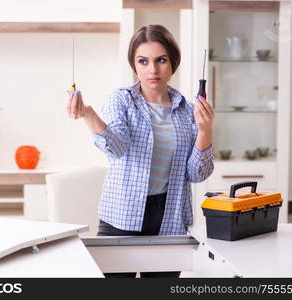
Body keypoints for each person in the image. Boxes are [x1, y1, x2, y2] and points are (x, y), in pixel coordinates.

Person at [66, 24, 214, 278]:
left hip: (168, 218)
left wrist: (204, 130)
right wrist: (88, 115)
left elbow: (197, 174)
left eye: (161, 60)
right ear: (134, 65)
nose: (152, 70)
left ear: (172, 64)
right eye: (143, 61)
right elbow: (117, 147)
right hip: (122, 215)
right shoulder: (121, 99)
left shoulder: (188, 110)